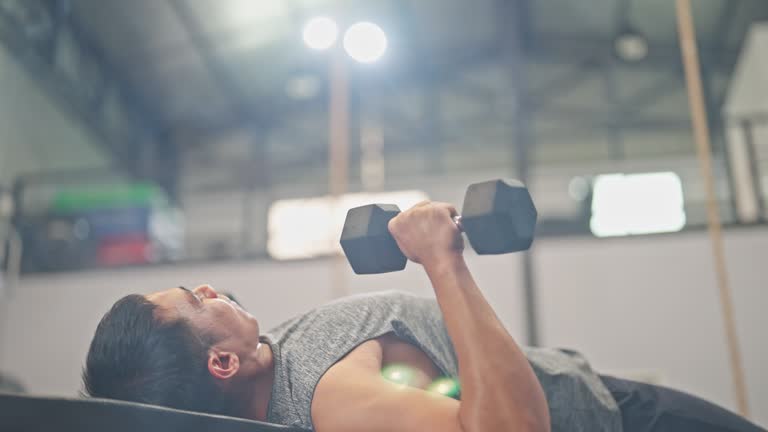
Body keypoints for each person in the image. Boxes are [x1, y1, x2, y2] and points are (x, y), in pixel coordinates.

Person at [83, 202, 765, 432]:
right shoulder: (333, 397)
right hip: (623, 420)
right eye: (198, 302)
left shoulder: (267, 366)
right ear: (220, 363)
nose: (209, 287)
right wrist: (442, 258)